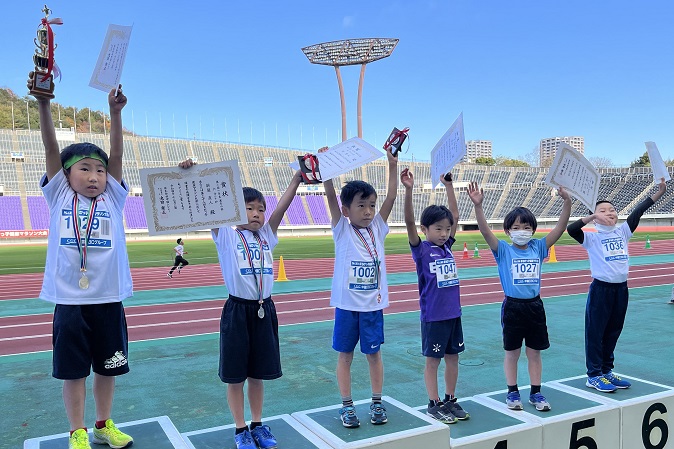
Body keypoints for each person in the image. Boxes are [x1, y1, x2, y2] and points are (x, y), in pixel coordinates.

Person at [30, 73, 133, 449]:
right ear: (66, 174)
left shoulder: (114, 199)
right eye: (84, 169)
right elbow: (49, 145)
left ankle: (104, 424)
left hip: (107, 300)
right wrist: (43, 104)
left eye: (100, 170)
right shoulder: (58, 196)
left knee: (109, 368)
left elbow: (118, 154)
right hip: (70, 302)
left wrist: (114, 113)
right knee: (73, 373)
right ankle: (77, 432)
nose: (94, 177)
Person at [179, 158, 302, 449]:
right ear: (233, 209)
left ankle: (258, 424)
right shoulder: (226, 234)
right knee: (236, 377)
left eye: (260, 209)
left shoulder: (266, 237)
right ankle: (240, 429)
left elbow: (282, 206)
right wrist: (192, 174)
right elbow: (208, 201)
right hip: (237, 311)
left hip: (264, 309)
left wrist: (296, 179)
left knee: (257, 374)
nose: (257, 214)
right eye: (249, 208)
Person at [467, 182, 571, 412]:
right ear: (508, 230)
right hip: (513, 307)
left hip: (535, 307)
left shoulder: (538, 248)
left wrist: (566, 202)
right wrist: (478, 206)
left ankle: (536, 392)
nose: (521, 230)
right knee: (512, 352)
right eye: (516, 227)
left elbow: (561, 227)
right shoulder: (503, 250)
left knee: (534, 352)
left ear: (533, 229)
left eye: (525, 226)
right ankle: (512, 391)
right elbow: (485, 231)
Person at [566, 178, 666, 392]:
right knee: (596, 332)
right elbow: (572, 230)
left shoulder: (623, 232)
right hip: (601, 289)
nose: (609, 212)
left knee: (613, 331)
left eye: (612, 210)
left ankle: (606, 371)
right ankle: (593, 375)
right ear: (595, 218)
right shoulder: (592, 238)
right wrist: (592, 215)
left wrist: (659, 192)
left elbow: (638, 211)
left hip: (621, 290)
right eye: (603, 210)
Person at [323, 148, 398, 428]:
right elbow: (331, 197)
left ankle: (377, 402)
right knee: (345, 356)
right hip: (347, 307)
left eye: (371, 205)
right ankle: (347, 406)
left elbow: (391, 197)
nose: (368, 211)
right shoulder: (342, 229)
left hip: (373, 307)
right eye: (361, 206)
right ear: (346, 210)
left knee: (374, 354)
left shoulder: (377, 228)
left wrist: (392, 163)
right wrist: (327, 171)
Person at [401, 169, 469, 424]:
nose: (443, 233)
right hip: (434, 317)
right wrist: (408, 190)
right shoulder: (422, 250)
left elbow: (456, 215)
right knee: (433, 361)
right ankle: (433, 402)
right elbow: (408, 222)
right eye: (438, 228)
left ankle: (450, 398)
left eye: (447, 229)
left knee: (453, 358)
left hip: (454, 315)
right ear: (425, 229)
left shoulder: (448, 247)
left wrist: (448, 186)